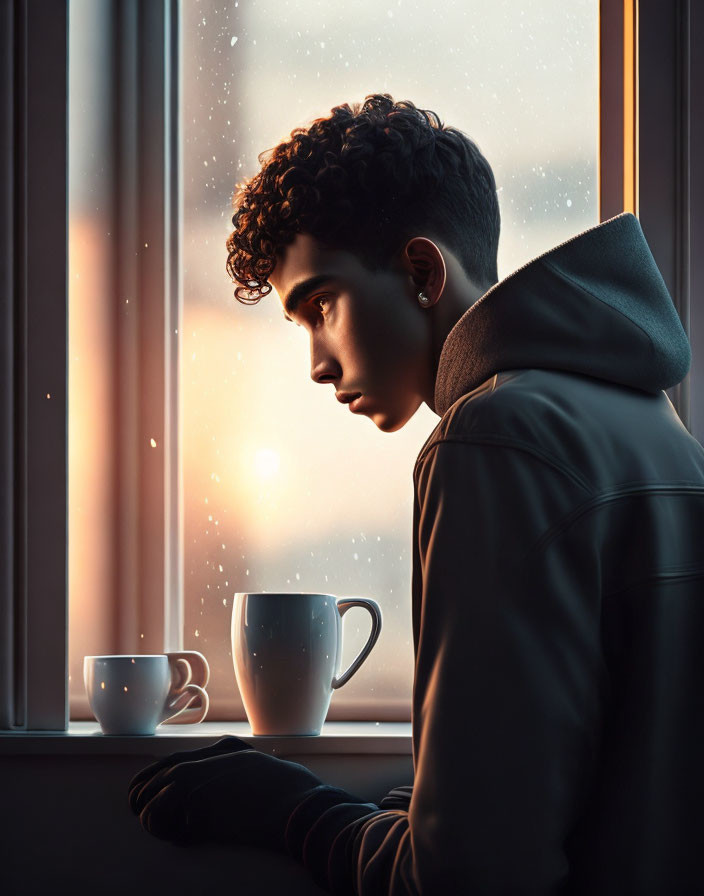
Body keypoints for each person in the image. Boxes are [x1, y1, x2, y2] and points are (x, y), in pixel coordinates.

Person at [129, 94, 704, 894]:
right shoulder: (648, 420)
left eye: (321, 305)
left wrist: (295, 813)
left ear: (421, 271)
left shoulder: (493, 439)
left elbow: (471, 876)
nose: (318, 365)